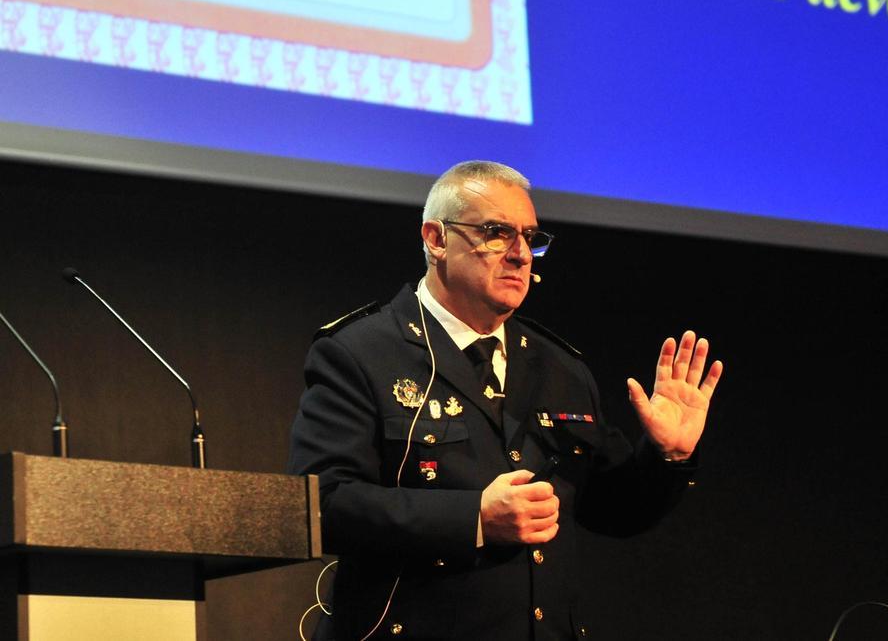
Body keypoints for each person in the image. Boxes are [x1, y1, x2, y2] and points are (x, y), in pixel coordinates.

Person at [288, 160, 723, 640]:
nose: (520, 255)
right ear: (435, 239)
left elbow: (614, 511)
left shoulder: (560, 367)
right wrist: (473, 518)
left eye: (530, 237)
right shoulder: (360, 352)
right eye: (496, 233)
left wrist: (669, 456)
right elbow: (323, 507)